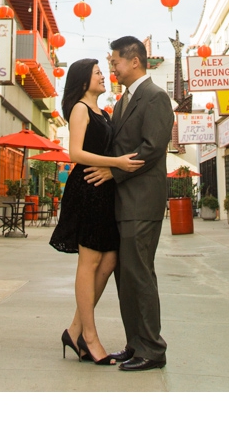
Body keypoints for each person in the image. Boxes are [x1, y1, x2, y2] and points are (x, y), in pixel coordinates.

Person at [84, 36, 173, 371]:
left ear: (135, 61)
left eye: (116, 62)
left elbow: (151, 149)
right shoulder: (123, 101)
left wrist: (112, 171)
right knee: (126, 276)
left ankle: (153, 349)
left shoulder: (155, 97)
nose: (113, 69)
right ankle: (136, 344)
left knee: (140, 275)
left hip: (142, 202)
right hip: (124, 204)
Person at [50, 58, 143, 364]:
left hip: (103, 188)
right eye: (98, 73)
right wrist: (116, 164)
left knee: (109, 259)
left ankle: (75, 329)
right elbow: (74, 153)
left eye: (103, 72)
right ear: (82, 80)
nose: (105, 76)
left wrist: (112, 169)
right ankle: (89, 337)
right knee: (89, 262)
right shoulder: (79, 108)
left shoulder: (103, 112)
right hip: (87, 187)